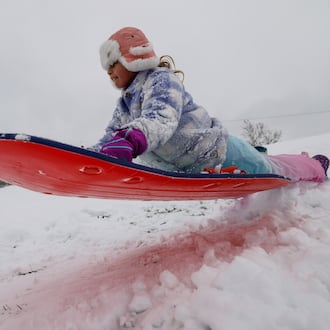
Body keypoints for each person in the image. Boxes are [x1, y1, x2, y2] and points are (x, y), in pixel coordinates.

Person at [91, 26, 328, 183]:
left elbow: (161, 117)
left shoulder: (160, 80)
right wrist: (92, 156)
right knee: (265, 167)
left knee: (275, 171)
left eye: (113, 63)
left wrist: (129, 140)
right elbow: (112, 135)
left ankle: (314, 166)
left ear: (134, 58)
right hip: (196, 167)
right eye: (106, 67)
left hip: (219, 151)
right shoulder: (125, 104)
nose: (109, 71)